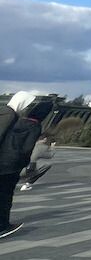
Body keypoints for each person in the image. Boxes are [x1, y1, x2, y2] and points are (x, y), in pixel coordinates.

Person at [0, 97, 52, 239]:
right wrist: (24, 164)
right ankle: (2, 226)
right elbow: (27, 149)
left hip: (1, 160)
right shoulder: (35, 126)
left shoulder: (18, 120)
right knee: (5, 196)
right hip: (11, 166)